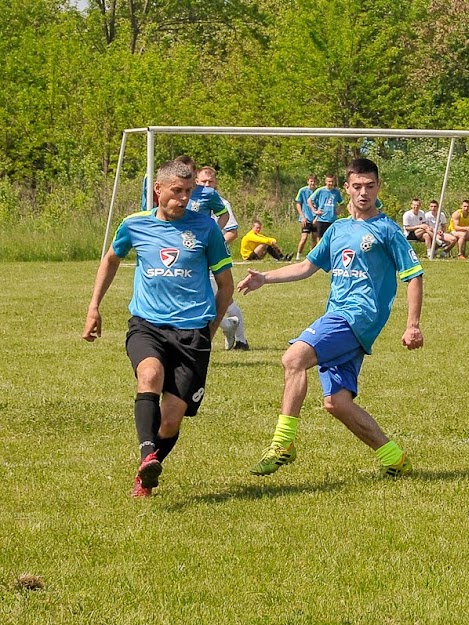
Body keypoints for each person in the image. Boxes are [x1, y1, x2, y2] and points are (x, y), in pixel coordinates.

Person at [238, 158, 424, 478]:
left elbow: (414, 276)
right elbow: (307, 267)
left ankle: (283, 444)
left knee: (294, 358)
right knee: (337, 403)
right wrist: (264, 278)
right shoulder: (337, 229)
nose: (363, 192)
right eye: (357, 186)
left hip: (358, 316)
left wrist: (412, 325)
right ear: (346, 190)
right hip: (339, 315)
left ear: (378, 187)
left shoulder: (388, 230)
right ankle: (396, 459)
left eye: (370, 186)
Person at [83, 159, 234, 497]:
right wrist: (94, 307)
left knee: (172, 419)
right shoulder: (134, 225)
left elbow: (226, 285)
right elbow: (111, 259)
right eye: (176, 191)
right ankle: (146, 455)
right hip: (147, 325)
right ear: (158, 190)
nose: (182, 199)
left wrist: (210, 331)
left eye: (188, 192)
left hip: (193, 332)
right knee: (149, 375)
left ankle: (146, 474)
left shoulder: (206, 229)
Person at [196, 167, 250, 350]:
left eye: (210, 181)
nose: (207, 185)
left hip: (213, 258)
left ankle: (241, 339)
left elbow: (232, 232)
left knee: (223, 297)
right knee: (208, 299)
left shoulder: (222, 203)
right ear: (196, 181)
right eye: (203, 181)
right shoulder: (188, 200)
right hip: (195, 257)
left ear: (216, 182)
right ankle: (229, 327)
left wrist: (214, 245)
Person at [309, 173, 344, 245]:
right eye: (329, 181)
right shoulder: (320, 190)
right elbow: (309, 200)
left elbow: (342, 203)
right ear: (326, 182)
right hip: (322, 219)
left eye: (332, 181)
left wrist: (338, 211)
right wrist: (314, 211)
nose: (330, 183)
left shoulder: (336, 192)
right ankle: (320, 254)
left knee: (332, 238)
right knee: (320, 239)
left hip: (332, 219)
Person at [295, 175, 319, 259]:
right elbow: (298, 204)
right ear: (308, 181)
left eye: (314, 181)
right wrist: (302, 217)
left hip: (315, 218)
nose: (312, 183)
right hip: (306, 218)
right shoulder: (302, 190)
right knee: (304, 237)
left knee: (315, 237)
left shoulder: (318, 191)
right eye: (311, 181)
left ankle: (311, 256)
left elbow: (320, 205)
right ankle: (298, 255)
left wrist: (317, 218)